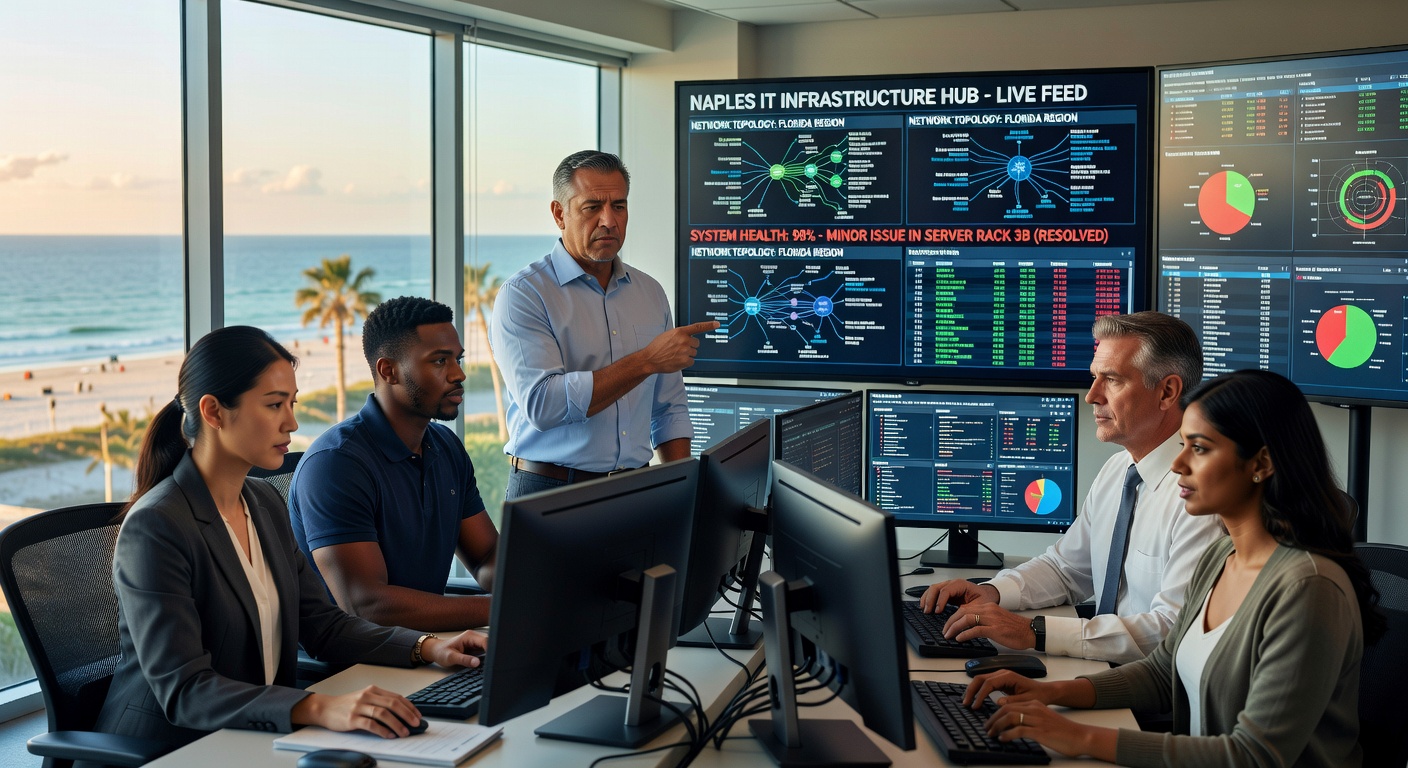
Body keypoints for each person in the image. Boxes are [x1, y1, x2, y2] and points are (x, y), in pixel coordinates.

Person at [93, 326, 486, 755]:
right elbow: (185, 689)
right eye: (274, 404)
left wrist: (427, 647)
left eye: (292, 403)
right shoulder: (157, 526)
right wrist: (319, 707)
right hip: (173, 750)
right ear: (213, 412)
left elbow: (324, 625)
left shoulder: (262, 502)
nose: (292, 422)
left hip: (258, 736)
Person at [965, 369, 1384, 767]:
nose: (1178, 464)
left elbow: (1253, 757)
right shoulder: (1222, 558)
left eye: (1199, 448)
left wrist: (1078, 736)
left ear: (1261, 464)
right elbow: (1163, 672)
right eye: (1182, 444)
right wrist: (1048, 692)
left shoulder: (1308, 588)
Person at [920, 312, 1223, 663]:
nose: (1091, 396)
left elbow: (1172, 630)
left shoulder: (1200, 498)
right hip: (1106, 670)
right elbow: (1066, 569)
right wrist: (991, 592)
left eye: (1112, 380)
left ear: (1168, 391)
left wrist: (1033, 632)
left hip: (1151, 698)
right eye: (1094, 378)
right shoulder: (1118, 470)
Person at [490, 149, 719, 500]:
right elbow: (542, 405)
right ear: (559, 214)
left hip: (636, 489)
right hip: (550, 491)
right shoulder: (524, 295)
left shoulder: (650, 293)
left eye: (619, 206)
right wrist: (646, 361)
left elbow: (669, 407)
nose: (609, 220)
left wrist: (685, 491)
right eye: (592, 207)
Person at [290, 296, 499, 632]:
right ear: (388, 371)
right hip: (353, 664)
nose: (458, 374)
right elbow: (366, 604)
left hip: (430, 645)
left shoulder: (446, 447)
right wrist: (501, 609)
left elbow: (486, 556)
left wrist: (535, 584)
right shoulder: (335, 464)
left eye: (457, 359)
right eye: (439, 361)